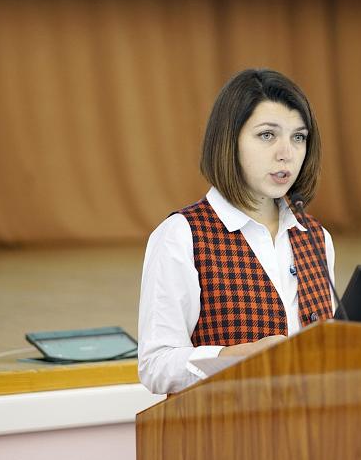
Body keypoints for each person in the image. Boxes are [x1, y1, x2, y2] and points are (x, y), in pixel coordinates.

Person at [138, 68, 335, 394]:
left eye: (298, 137)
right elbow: (156, 365)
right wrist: (235, 357)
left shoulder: (316, 237)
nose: (286, 153)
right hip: (224, 421)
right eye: (267, 135)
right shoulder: (182, 235)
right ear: (230, 141)